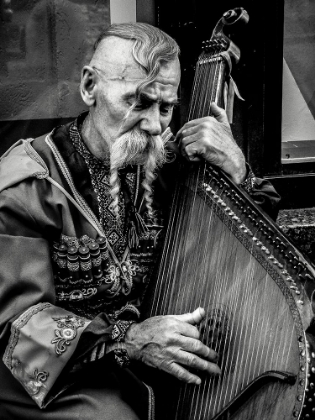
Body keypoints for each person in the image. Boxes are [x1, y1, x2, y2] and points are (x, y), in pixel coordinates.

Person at [0, 23, 281, 420]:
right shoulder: (25, 187)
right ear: (89, 87)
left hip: (149, 353)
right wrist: (130, 339)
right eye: (136, 102)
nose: (153, 126)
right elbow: (15, 331)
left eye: (165, 108)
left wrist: (237, 171)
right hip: (47, 375)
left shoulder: (163, 164)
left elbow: (252, 241)